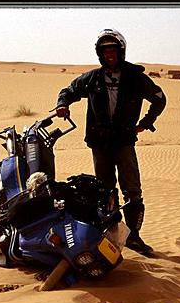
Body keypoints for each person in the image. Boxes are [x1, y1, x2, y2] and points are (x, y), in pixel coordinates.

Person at [54, 28, 166, 255]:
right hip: (100, 143)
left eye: (113, 50)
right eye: (105, 51)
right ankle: (110, 236)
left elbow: (159, 99)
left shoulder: (135, 78)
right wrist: (62, 104)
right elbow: (69, 90)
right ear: (100, 54)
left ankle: (134, 237)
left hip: (124, 142)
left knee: (132, 190)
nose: (110, 55)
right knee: (104, 192)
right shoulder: (93, 78)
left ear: (121, 51)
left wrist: (146, 122)